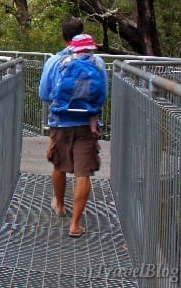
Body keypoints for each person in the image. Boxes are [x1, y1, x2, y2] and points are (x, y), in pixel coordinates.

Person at [38, 19, 108, 239]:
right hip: (87, 124)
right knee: (83, 173)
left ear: (64, 36)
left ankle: (59, 205)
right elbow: (102, 93)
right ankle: (75, 225)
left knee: (59, 165)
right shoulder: (97, 62)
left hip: (60, 122)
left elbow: (44, 94)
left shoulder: (54, 61)